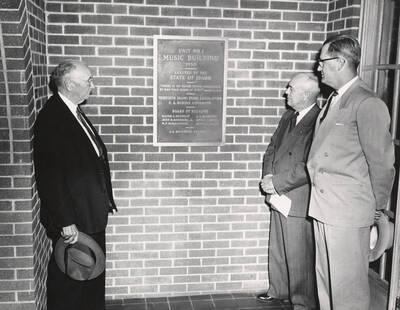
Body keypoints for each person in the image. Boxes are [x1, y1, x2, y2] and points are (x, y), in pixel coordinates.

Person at [307, 34, 395, 310]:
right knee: (326, 286)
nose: (318, 67)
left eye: (322, 62)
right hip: (323, 208)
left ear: (340, 62)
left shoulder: (367, 103)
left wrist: (376, 211)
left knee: (348, 294)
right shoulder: (334, 98)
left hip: (347, 213)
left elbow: (382, 165)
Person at [33, 60, 117, 310]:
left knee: (91, 275)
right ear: (70, 84)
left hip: (89, 212)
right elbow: (49, 177)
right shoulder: (53, 118)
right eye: (88, 80)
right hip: (74, 219)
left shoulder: (72, 110)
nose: (93, 85)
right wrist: (65, 220)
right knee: (70, 281)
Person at [258, 73, 321, 309]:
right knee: (278, 247)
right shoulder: (288, 117)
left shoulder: (319, 121)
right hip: (276, 192)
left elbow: (309, 164)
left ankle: (302, 303)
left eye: (290, 88)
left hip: (296, 197)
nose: (286, 92)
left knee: (298, 254)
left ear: (305, 94)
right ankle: (279, 290)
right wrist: (267, 177)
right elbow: (272, 147)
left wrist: (279, 183)